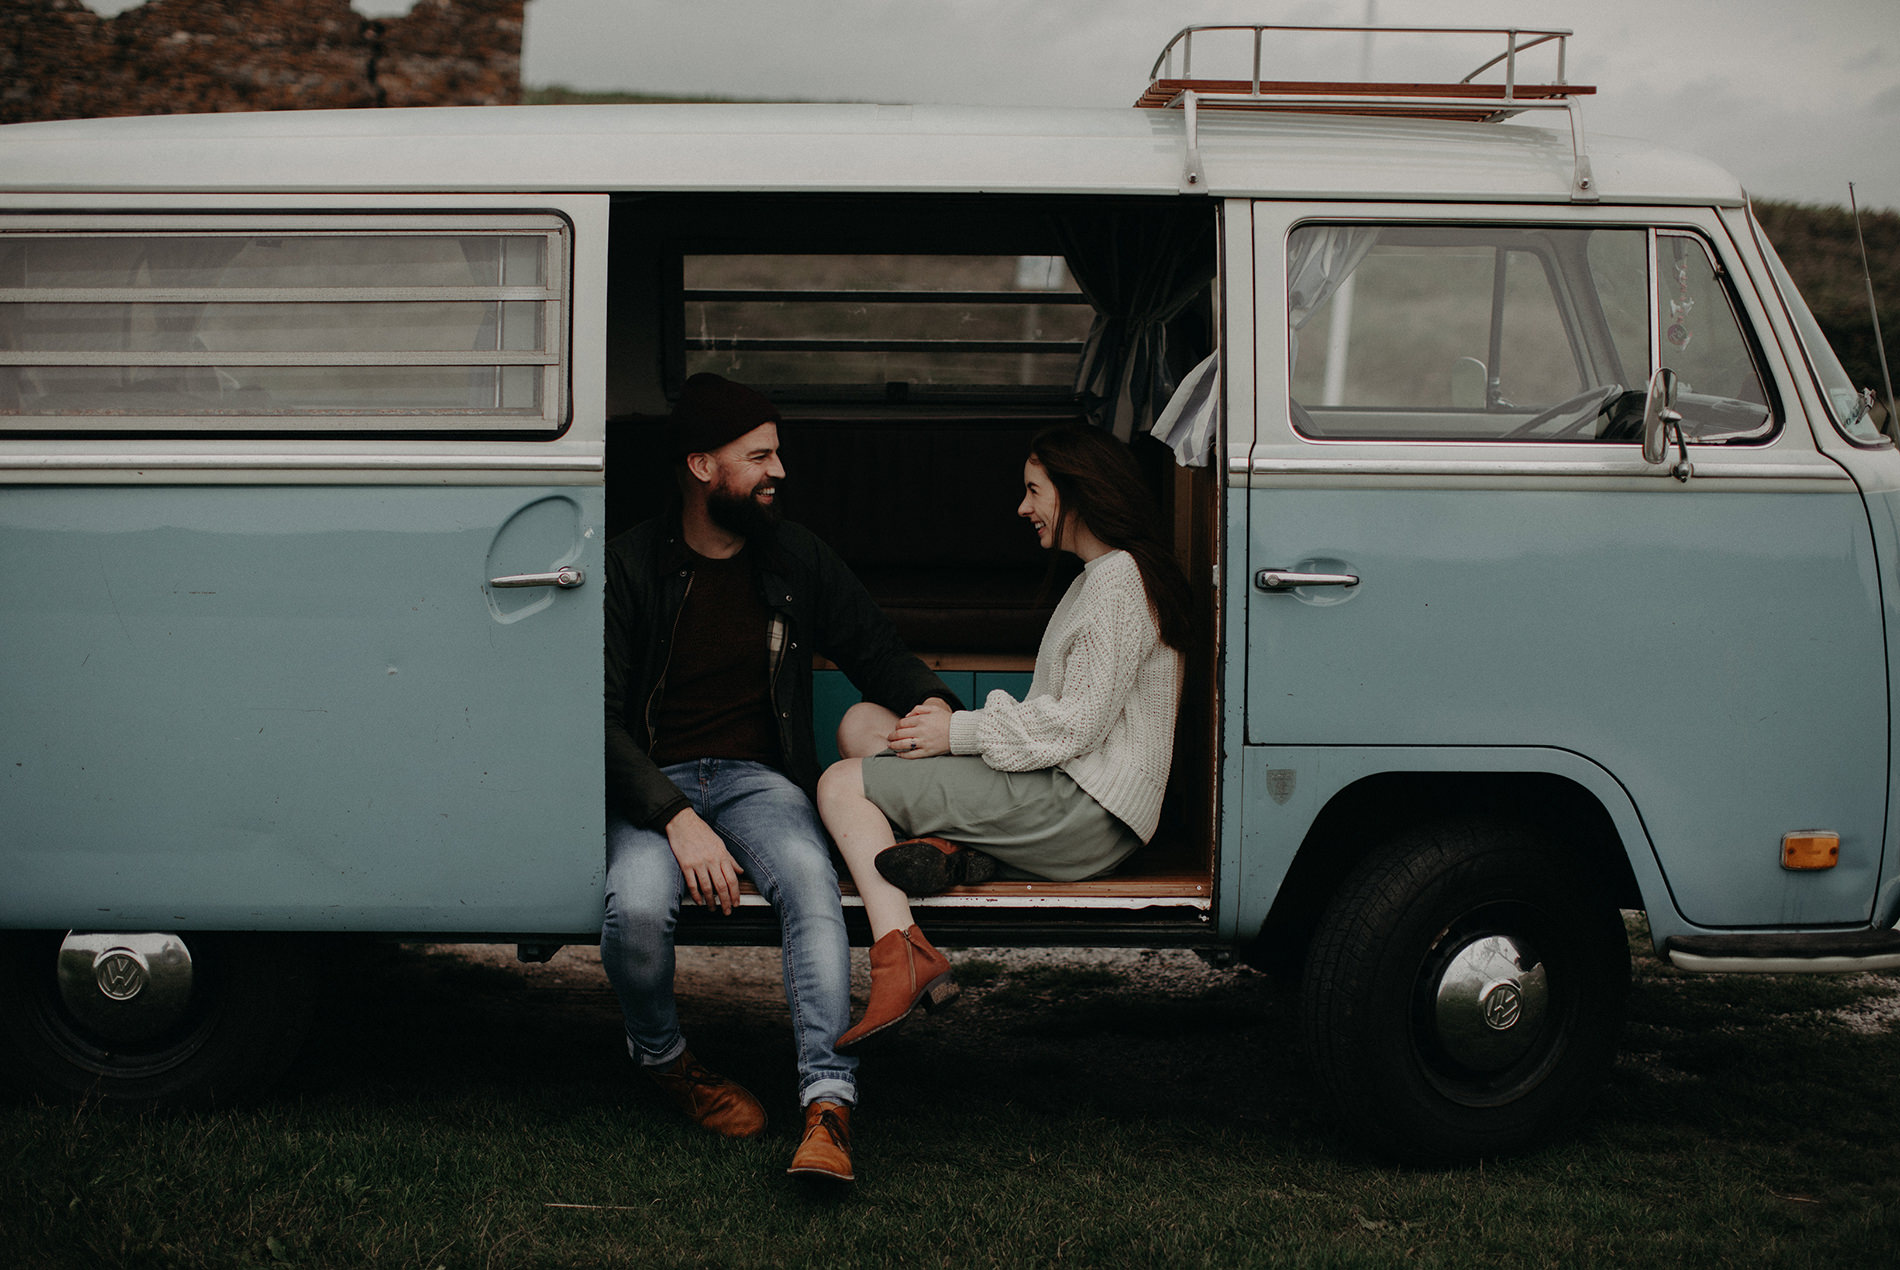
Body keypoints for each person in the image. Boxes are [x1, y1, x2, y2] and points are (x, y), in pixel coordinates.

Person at [602, 372, 957, 1183]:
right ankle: (666, 1062)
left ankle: (828, 1107)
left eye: (777, 454)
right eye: (758, 455)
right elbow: (598, 717)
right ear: (701, 465)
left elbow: (874, 649)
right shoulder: (628, 567)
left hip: (759, 781)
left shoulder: (794, 557)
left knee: (810, 883)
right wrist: (672, 817)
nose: (778, 471)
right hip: (653, 785)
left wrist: (942, 713)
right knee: (639, 911)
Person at [817, 424, 1190, 1048]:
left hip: (1085, 811)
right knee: (863, 726)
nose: (1023, 508)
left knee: (838, 786)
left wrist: (958, 731)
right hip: (1071, 795)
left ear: (1078, 491)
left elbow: (1075, 724)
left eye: (1033, 490)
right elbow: (1066, 719)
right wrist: (955, 735)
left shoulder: (1118, 582)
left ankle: (902, 951)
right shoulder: (1100, 578)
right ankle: (949, 850)